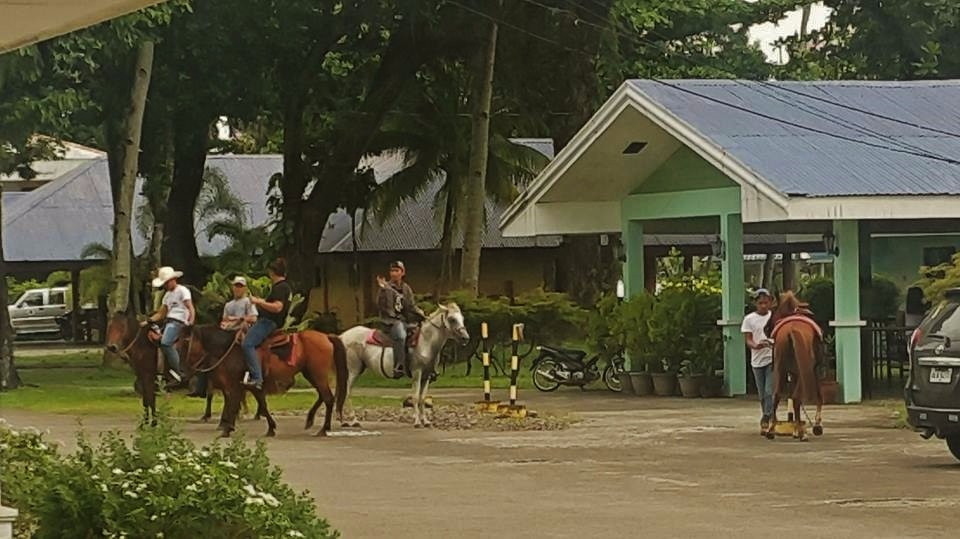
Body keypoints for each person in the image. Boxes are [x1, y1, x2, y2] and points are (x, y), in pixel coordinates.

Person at [188, 276, 258, 398]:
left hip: (242, 329)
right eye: (236, 286)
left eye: (240, 286)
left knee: (244, 345)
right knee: (210, 348)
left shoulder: (248, 302)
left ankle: (249, 371)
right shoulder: (229, 305)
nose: (237, 289)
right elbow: (224, 319)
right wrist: (225, 323)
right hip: (228, 330)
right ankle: (204, 381)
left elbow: (253, 318)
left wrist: (238, 319)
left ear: (245, 288)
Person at [242, 259, 292, 390]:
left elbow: (277, 307)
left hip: (268, 322)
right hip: (268, 321)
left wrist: (258, 301)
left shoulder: (281, 287)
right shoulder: (282, 287)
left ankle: (257, 378)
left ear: (271, 272)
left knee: (247, 344)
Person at [148, 266, 195, 385]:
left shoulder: (182, 291)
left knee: (165, 343)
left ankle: (179, 371)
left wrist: (191, 320)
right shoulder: (167, 296)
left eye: (167, 282)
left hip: (178, 321)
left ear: (173, 279)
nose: (166, 285)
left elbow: (190, 307)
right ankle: (161, 372)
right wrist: (148, 321)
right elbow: (161, 313)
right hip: (168, 321)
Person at [377, 261, 424, 377]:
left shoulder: (406, 288)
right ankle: (399, 366)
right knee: (400, 335)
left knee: (422, 333)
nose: (394, 273)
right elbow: (380, 304)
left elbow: (411, 306)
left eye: (396, 271)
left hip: (405, 321)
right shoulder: (385, 287)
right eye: (392, 271)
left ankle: (422, 366)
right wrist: (383, 290)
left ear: (402, 272)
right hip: (390, 321)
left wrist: (421, 314)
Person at [742, 288, 774, 434]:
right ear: (756, 303)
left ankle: (767, 417)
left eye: (766, 303)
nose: (763, 306)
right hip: (756, 360)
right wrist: (756, 345)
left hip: (771, 359)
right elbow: (748, 339)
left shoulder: (774, 317)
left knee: (769, 391)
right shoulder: (749, 319)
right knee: (762, 394)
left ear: (770, 303)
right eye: (760, 303)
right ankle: (768, 415)